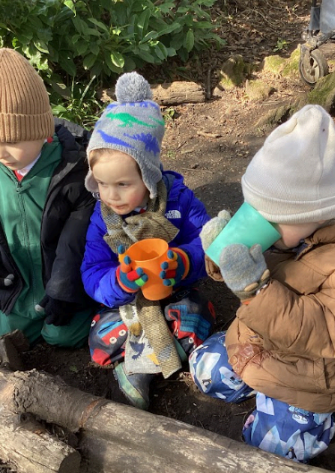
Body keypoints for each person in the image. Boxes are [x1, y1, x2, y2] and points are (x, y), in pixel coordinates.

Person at [192, 104, 335, 463]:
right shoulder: (297, 228)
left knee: (275, 449)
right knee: (205, 372)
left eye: (272, 216)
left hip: (314, 373)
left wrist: (254, 291)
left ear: (319, 215)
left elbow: (320, 335)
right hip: (266, 337)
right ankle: (259, 385)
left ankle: (312, 421)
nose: (263, 222)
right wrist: (222, 252)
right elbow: (260, 263)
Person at [81, 72, 215, 410]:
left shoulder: (178, 202)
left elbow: (208, 243)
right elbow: (92, 272)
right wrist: (119, 281)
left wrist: (184, 262)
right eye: (101, 184)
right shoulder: (103, 218)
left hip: (175, 293)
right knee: (100, 339)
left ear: (149, 175)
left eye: (123, 184)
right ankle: (150, 358)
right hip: (128, 306)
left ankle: (142, 363)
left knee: (195, 315)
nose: (111, 195)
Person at [0, 48, 97, 347]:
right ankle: (26, 305)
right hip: (18, 284)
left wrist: (64, 290)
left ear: (42, 131)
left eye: (11, 140)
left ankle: (77, 309)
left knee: (62, 334)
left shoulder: (72, 169)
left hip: (63, 280)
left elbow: (75, 241)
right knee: (6, 333)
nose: (0, 151)